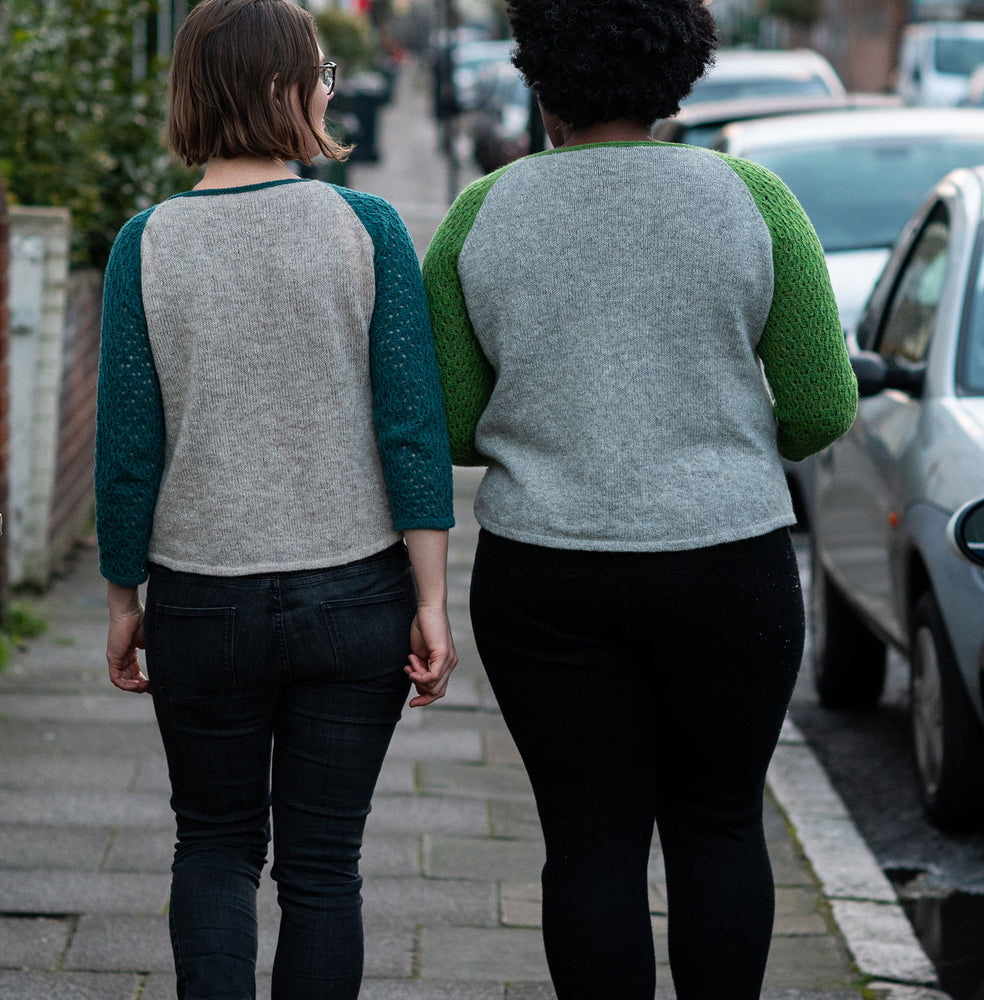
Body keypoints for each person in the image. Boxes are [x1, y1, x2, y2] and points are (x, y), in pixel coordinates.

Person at [422, 1, 858, 997]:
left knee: (588, 844)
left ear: (541, 79)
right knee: (717, 824)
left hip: (548, 575)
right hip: (729, 565)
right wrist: (735, 450)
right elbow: (823, 402)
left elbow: (448, 424)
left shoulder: (480, 212)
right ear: (678, 78)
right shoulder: (756, 198)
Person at [95, 1, 457, 997]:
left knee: (213, 848)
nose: (329, 90)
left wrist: (124, 600)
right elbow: (412, 428)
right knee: (322, 871)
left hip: (203, 601)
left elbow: (129, 447)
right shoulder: (367, 228)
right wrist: (431, 595)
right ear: (286, 90)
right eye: (321, 74)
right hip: (354, 596)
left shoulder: (148, 243)